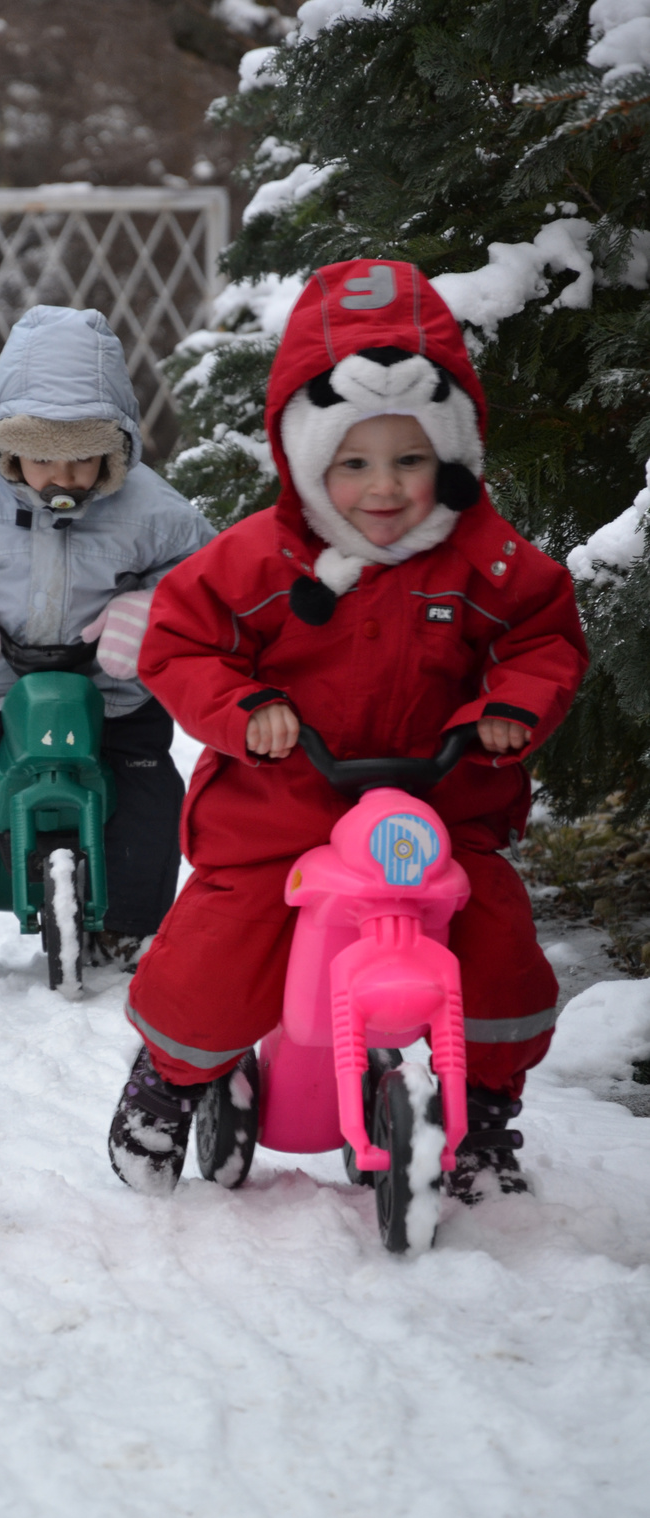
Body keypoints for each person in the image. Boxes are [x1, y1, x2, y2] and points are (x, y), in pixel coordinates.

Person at [108, 258, 588, 1204]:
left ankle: (485, 1113)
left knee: (495, 948)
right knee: (221, 947)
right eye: (353, 462)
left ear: (452, 455)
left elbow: (542, 638)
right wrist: (249, 713)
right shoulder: (258, 557)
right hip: (280, 805)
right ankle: (170, 1078)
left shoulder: (486, 558)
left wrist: (502, 712)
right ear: (302, 457)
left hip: (438, 807)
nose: (383, 488)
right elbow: (180, 642)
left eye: (410, 459)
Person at [0, 304, 215, 971]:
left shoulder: (150, 507)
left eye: (84, 461)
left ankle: (134, 924)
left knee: (145, 786)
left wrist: (149, 607)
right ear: (5, 446)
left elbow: (200, 567)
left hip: (108, 688)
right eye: (43, 460)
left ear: (117, 448)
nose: (64, 479)